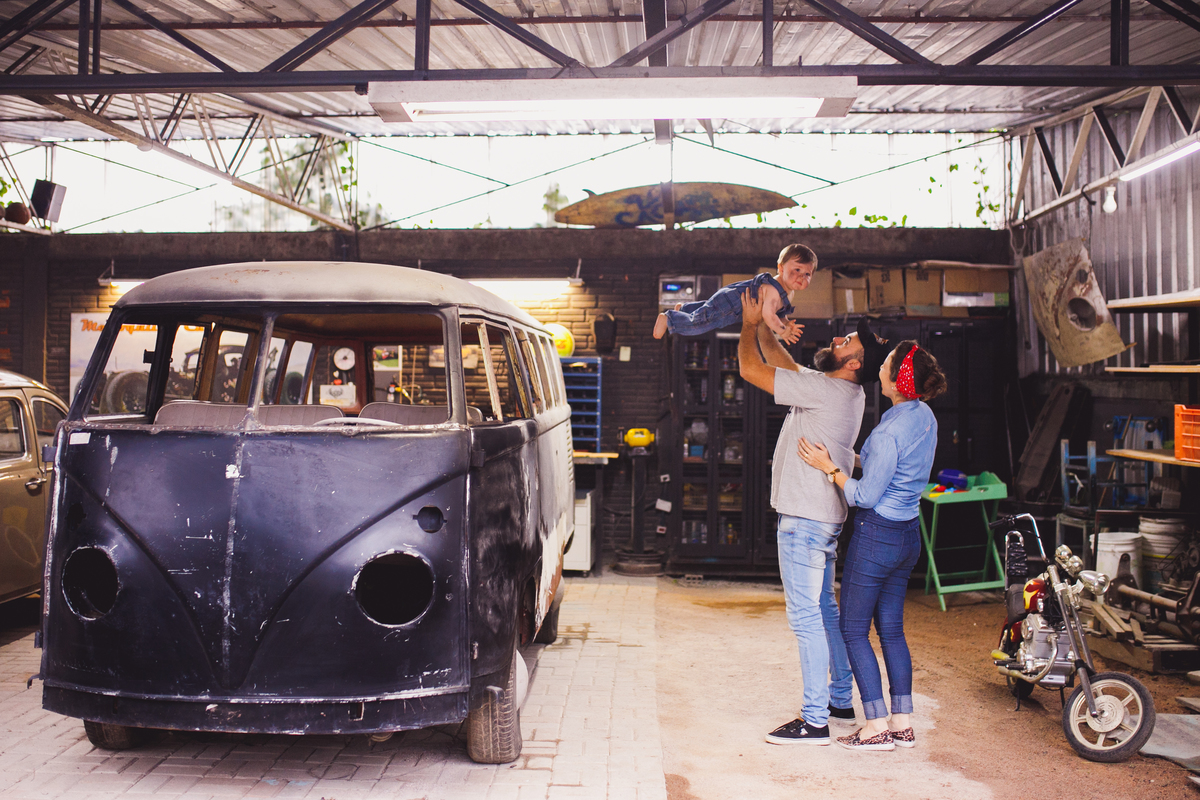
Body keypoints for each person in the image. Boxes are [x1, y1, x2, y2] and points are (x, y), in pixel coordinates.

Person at [738, 291, 890, 746]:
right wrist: (770, 326)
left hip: (804, 521)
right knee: (824, 611)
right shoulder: (847, 390)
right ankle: (840, 699)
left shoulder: (826, 390)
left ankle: (814, 720)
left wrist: (748, 326)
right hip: (822, 518)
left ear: (853, 364)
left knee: (805, 617)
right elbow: (789, 367)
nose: (838, 338)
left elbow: (751, 369)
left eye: (848, 343)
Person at [797, 340, 947, 752]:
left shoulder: (887, 432)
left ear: (897, 379)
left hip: (877, 537)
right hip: (908, 536)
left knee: (852, 630)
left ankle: (875, 725)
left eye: (885, 363)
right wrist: (850, 457)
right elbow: (893, 469)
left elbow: (863, 496)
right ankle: (902, 723)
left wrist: (829, 468)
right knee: (892, 631)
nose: (877, 366)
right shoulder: (924, 416)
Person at [653, 244, 816, 344]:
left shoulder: (789, 293)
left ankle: (685, 309)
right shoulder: (773, 290)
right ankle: (669, 319)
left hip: (731, 302)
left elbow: (777, 312)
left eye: (807, 274)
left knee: (706, 311)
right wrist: (781, 330)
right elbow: (768, 314)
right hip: (731, 304)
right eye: (797, 270)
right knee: (700, 324)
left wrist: (786, 323)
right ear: (780, 268)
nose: (802, 277)